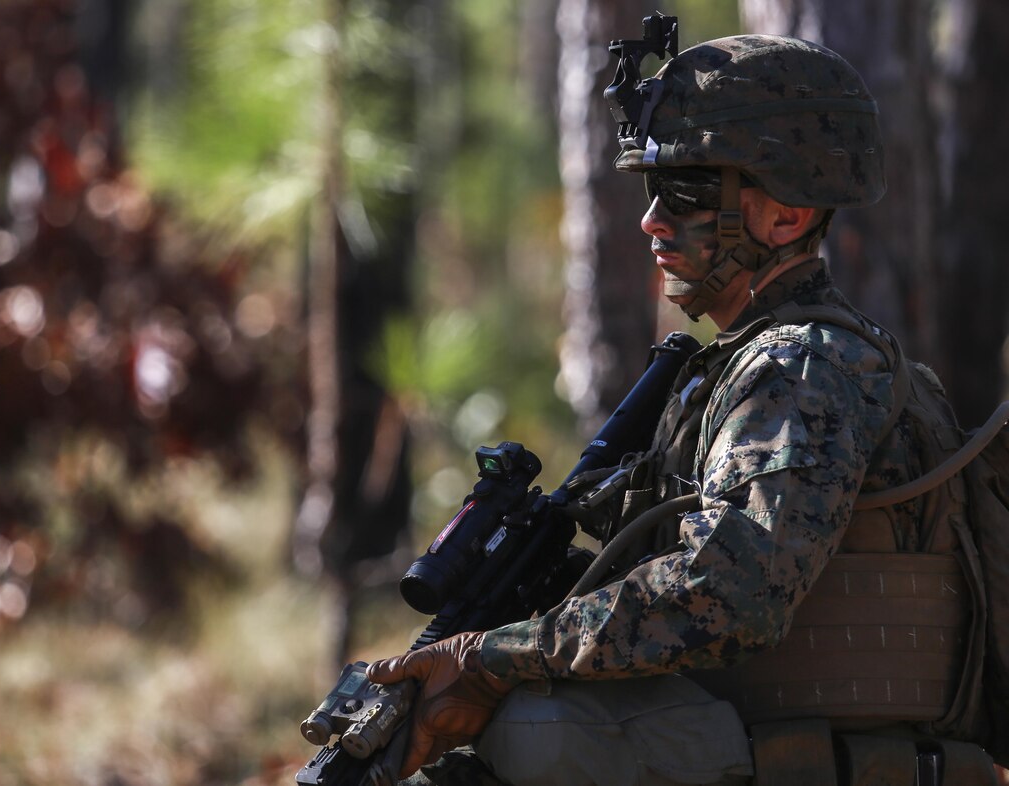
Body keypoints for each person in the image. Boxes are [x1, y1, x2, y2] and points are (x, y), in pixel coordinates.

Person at [367, 34, 996, 786]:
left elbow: (729, 592)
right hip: (782, 749)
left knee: (539, 732)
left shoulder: (799, 368)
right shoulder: (778, 363)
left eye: (690, 192)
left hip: (819, 761)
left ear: (788, 216)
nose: (653, 222)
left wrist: (495, 658)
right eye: (651, 190)